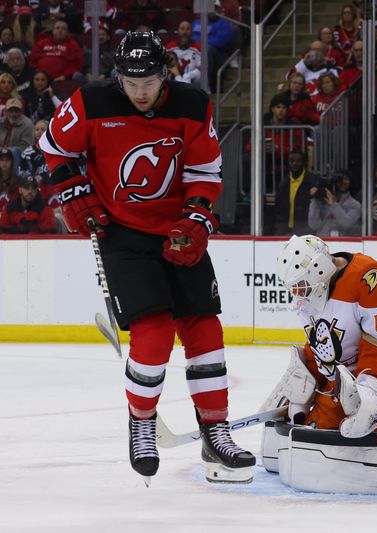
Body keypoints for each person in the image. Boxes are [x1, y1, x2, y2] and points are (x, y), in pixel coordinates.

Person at [39, 31, 255, 484]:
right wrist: (73, 192)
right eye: (131, 82)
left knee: (204, 327)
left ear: (166, 74)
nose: (140, 92)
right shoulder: (91, 101)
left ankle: (216, 432)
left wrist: (197, 219)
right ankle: (141, 424)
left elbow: (205, 170)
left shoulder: (192, 104)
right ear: (119, 77)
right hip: (124, 235)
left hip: (178, 231)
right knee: (154, 333)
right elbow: (54, 148)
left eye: (149, 82)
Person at [273, 233, 377, 435]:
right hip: (346, 378)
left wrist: (368, 392)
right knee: (311, 432)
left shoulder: (367, 276)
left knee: (373, 429)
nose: (297, 292)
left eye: (301, 284)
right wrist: (306, 380)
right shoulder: (310, 291)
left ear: (319, 267)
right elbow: (323, 344)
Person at [272, 149, 318, 235]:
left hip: (305, 226)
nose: (294, 164)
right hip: (284, 226)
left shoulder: (311, 180)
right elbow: (278, 208)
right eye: (291, 161)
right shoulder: (283, 184)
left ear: (303, 163)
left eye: (298, 161)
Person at [307, 170, 362, 236]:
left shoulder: (355, 205)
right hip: (323, 242)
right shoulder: (322, 201)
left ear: (351, 182)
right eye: (340, 179)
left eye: (346, 179)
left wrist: (334, 205)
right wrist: (315, 199)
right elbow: (314, 225)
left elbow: (347, 225)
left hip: (346, 243)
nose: (343, 182)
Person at [165, 21, 202, 87]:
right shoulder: (170, 46)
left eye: (188, 29)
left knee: (200, 74)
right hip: (174, 78)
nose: (185, 32)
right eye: (182, 29)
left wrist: (187, 76)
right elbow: (167, 65)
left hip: (192, 80)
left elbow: (200, 67)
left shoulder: (198, 47)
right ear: (178, 31)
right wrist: (178, 76)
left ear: (191, 32)